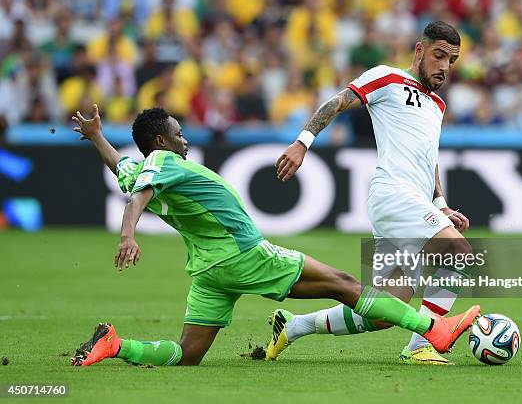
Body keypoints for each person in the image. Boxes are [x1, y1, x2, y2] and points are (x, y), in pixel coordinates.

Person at [69, 104, 479, 367]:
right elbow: (137, 197)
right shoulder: (162, 160)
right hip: (245, 254)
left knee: (187, 355)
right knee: (345, 285)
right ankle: (433, 329)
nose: (184, 139)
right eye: (178, 134)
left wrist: (96, 137)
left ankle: (115, 345)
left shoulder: (145, 166)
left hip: (209, 272)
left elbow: (122, 169)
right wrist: (128, 235)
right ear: (160, 141)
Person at [273, 21, 472, 365]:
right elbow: (337, 102)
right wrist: (302, 143)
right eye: (439, 56)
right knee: (459, 253)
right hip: (393, 194)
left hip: (414, 201)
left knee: (383, 309)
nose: (444, 67)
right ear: (420, 51)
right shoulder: (389, 78)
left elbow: (429, 157)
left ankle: (294, 326)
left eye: (451, 61)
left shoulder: (437, 105)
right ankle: (421, 344)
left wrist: (441, 204)